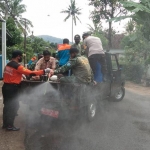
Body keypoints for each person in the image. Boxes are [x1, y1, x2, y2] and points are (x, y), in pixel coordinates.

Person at [2, 50, 51, 131]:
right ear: (18, 56)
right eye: (21, 56)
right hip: (12, 88)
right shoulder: (18, 66)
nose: (21, 57)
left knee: (7, 106)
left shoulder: (8, 64)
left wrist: (20, 75)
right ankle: (10, 126)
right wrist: (44, 71)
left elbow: (10, 74)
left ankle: (5, 124)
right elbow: (31, 73)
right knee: (13, 106)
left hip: (5, 87)